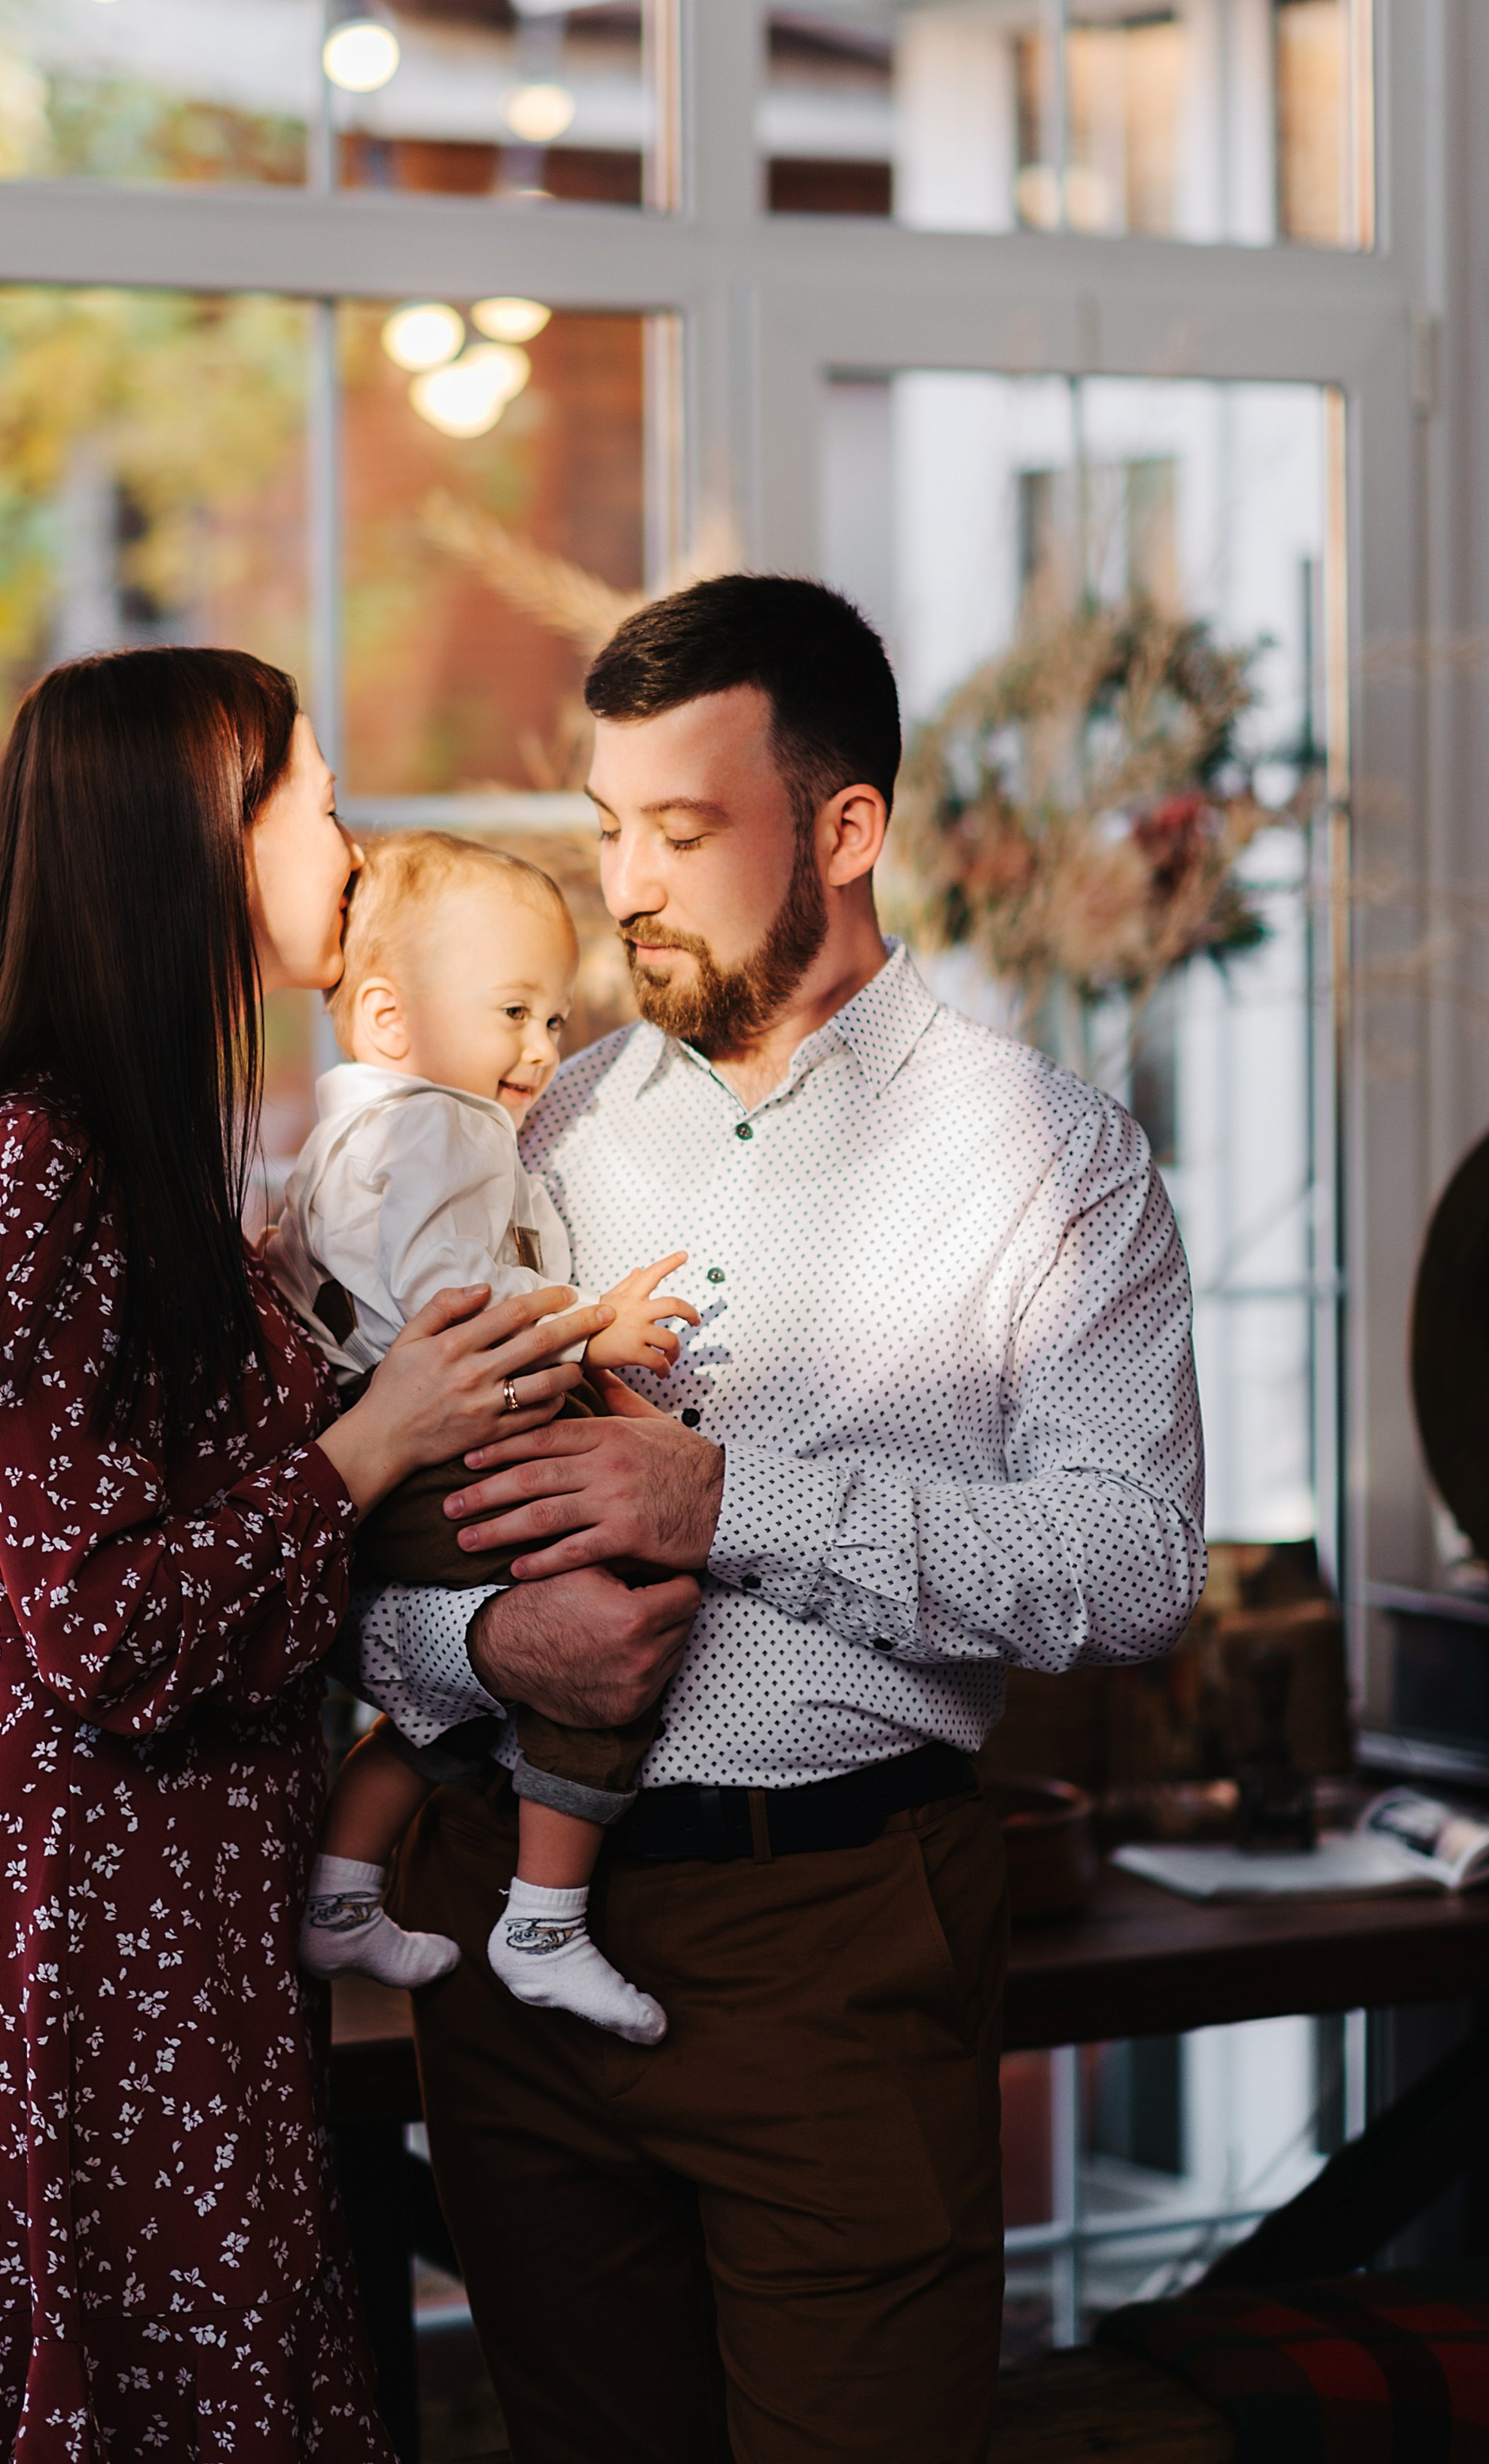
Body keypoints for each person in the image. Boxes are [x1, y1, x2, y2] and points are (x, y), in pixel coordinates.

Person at [352, 575, 1207, 2464]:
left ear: (845, 829)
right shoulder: (524, 1129)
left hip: (837, 1948)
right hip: (509, 1936)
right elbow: (369, 1523)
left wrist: (728, 1495)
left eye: (678, 829)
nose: (624, 884)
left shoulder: (1046, 1163)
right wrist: (478, 1647)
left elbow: (1134, 1567)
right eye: (604, 830)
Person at [0, 648, 605, 2462]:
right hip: (89, 1930)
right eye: (317, 801)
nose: (351, 850)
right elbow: (95, 1628)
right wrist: (379, 1439)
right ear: (207, 837)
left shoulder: (153, 1155)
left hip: (189, 1916)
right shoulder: (37, 1161)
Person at [271, 829, 695, 2044]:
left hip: (367, 1452)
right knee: (603, 1618)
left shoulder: (339, 1139)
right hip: (447, 1441)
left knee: (453, 1704)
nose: (539, 1051)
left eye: (555, 1022)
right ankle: (546, 1921)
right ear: (394, 1021)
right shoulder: (442, 1130)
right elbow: (465, 1309)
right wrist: (596, 1331)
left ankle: (344, 1887)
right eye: (512, 1011)